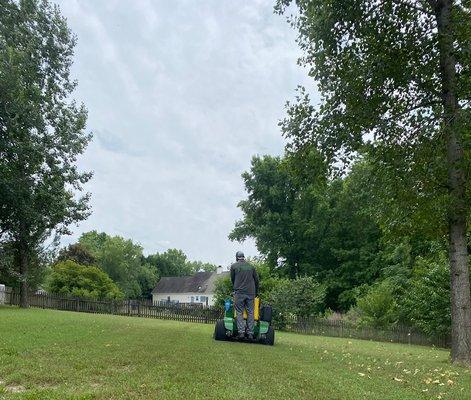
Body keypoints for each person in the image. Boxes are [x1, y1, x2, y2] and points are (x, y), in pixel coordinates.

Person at [230, 251, 259, 340]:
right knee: (251, 312)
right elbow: (256, 280)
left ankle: (241, 333)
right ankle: (250, 334)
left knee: (239, 312)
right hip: (251, 293)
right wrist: (256, 292)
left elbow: (233, 279)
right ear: (243, 257)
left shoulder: (234, 266)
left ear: (237, 257)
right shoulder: (251, 266)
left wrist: (235, 288)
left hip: (239, 292)